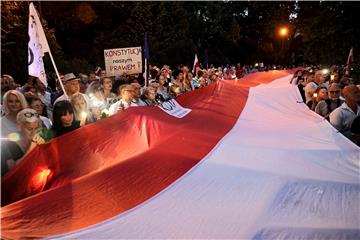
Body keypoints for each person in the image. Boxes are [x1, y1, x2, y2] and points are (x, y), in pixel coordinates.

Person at [1, 108, 45, 176]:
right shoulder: (8, 144)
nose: (33, 132)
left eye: (36, 128)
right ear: (19, 126)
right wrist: (32, 147)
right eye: (29, 129)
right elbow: (12, 171)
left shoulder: (41, 140)